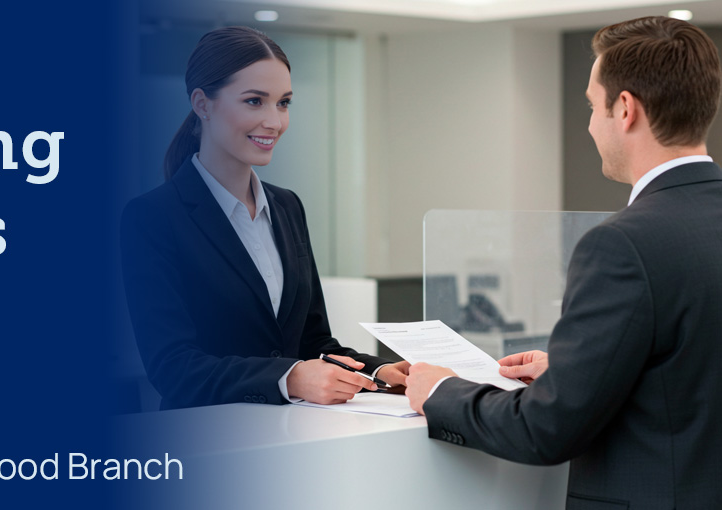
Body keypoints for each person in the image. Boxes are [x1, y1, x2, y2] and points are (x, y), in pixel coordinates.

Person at [404, 16, 722, 509]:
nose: (591, 124)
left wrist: (441, 390)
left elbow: (545, 430)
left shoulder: (621, 245)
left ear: (625, 108)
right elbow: (693, 370)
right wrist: (579, 373)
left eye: (592, 106)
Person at [121, 26, 408, 410]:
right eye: (254, 101)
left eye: (283, 103)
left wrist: (378, 371)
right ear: (203, 104)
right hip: (205, 433)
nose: (275, 122)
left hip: (292, 429)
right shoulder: (153, 216)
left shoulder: (287, 206)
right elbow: (173, 368)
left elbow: (314, 343)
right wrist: (289, 378)